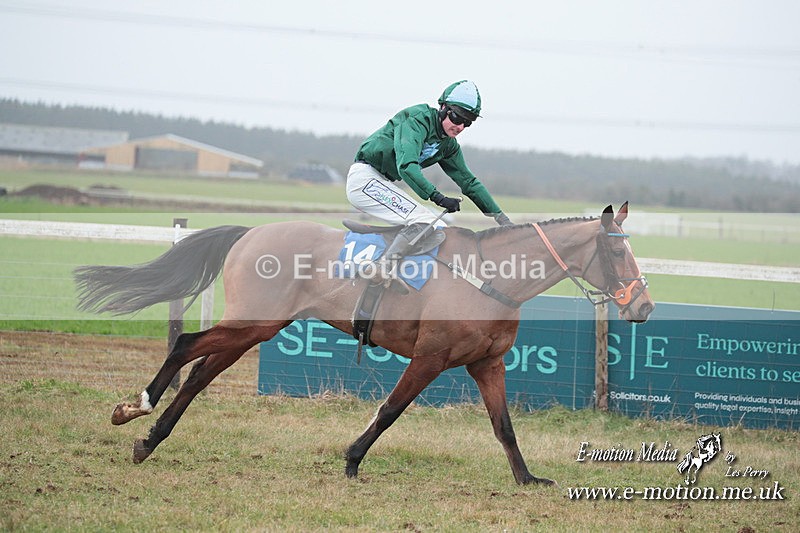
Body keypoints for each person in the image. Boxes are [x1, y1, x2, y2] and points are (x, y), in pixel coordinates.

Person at [346, 80, 513, 279]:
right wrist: (438, 197)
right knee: (424, 220)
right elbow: (407, 166)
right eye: (456, 117)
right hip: (364, 180)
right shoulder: (417, 119)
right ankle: (381, 269)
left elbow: (469, 182)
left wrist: (501, 219)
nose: (460, 126)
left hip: (382, 183)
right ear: (442, 108)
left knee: (439, 229)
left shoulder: (448, 146)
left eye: (467, 122)